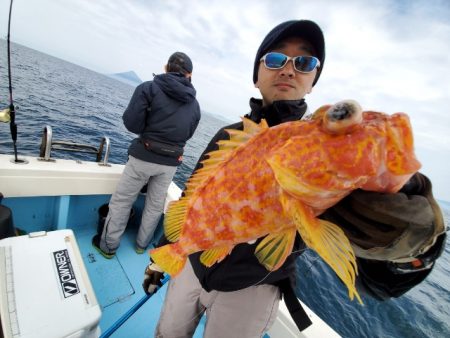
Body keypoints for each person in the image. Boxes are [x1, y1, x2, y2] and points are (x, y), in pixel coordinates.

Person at [142, 20, 446, 337]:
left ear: (313, 80)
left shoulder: (329, 175)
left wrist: (416, 248)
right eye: (275, 59)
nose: (288, 70)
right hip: (191, 266)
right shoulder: (226, 137)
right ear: (256, 76)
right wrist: (161, 260)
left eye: (304, 62)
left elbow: (378, 284)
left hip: (255, 288)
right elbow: (191, 201)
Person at [92, 52, 201, 258]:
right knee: (154, 206)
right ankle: (142, 245)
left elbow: (131, 124)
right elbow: (188, 134)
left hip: (143, 157)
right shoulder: (194, 105)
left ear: (166, 67)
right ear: (190, 75)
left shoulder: (148, 88)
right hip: (170, 164)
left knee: (122, 201)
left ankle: (108, 246)